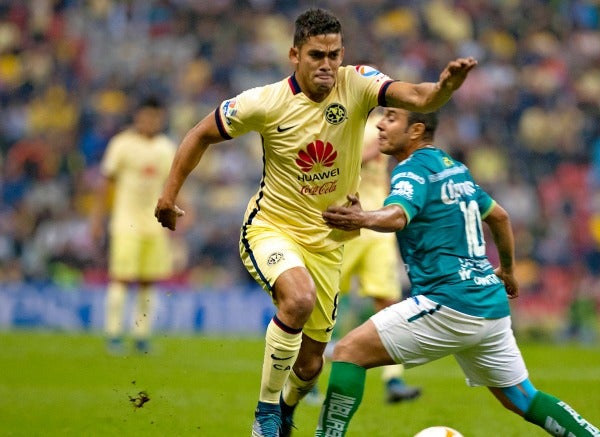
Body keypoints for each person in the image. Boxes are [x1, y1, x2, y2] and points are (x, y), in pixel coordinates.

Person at [153, 8, 477, 437]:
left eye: (334, 55)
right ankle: (266, 414)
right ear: (294, 55)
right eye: (316, 55)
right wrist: (169, 195)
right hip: (272, 227)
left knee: (309, 365)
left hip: (329, 242)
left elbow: (418, 97)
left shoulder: (357, 83)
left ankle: (286, 408)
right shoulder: (264, 102)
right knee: (298, 299)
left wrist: (444, 88)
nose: (327, 65)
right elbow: (200, 134)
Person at [317, 108, 600, 437]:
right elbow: (499, 216)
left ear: (416, 130)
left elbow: (398, 215)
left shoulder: (412, 170)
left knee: (347, 352)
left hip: (450, 301)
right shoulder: (455, 168)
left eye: (392, 118)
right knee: (522, 398)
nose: (380, 124)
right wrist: (508, 271)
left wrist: (362, 218)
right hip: (489, 302)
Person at [331, 108, 422, 404]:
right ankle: (308, 376)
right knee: (327, 301)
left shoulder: (380, 127)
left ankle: (393, 380)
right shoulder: (339, 124)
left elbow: (371, 155)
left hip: (377, 225)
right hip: (347, 225)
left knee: (388, 303)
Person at [90, 96, 176, 355]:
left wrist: (179, 213)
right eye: (145, 116)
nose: (150, 121)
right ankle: (114, 334)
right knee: (121, 278)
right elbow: (106, 183)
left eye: (155, 117)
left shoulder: (165, 147)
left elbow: (172, 184)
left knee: (149, 281)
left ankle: (141, 336)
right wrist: (97, 218)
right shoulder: (122, 144)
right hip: (125, 222)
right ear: (137, 117)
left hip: (155, 223)